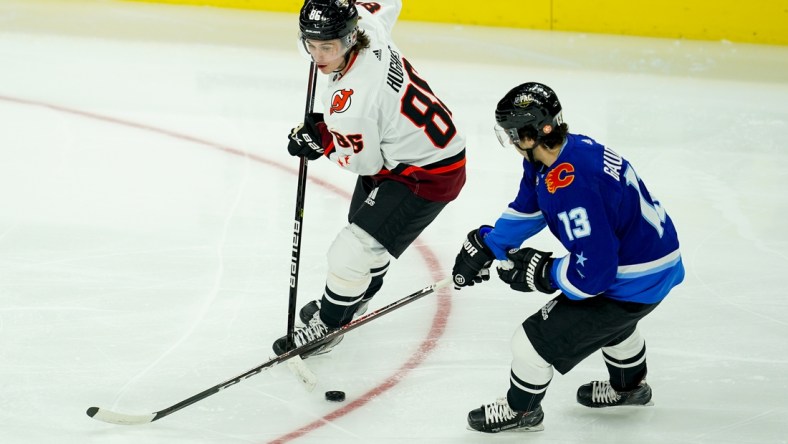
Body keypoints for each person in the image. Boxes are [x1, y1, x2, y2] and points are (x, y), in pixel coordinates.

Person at [451, 82, 684, 433]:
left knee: (529, 344)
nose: (512, 142)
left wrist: (544, 272)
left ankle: (522, 411)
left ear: (531, 135)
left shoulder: (575, 186)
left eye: (513, 133)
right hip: (657, 263)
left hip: (633, 278)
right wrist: (491, 244)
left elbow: (595, 275)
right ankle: (630, 388)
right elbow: (531, 206)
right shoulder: (563, 153)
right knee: (613, 327)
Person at [272, 0, 466, 357]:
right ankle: (353, 301)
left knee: (352, 251)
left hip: (426, 173)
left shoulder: (350, 102)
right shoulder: (369, 27)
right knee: (366, 236)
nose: (317, 55)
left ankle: (328, 328)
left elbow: (364, 163)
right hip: (408, 150)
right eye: (310, 44)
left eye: (326, 46)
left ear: (349, 39)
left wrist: (321, 140)